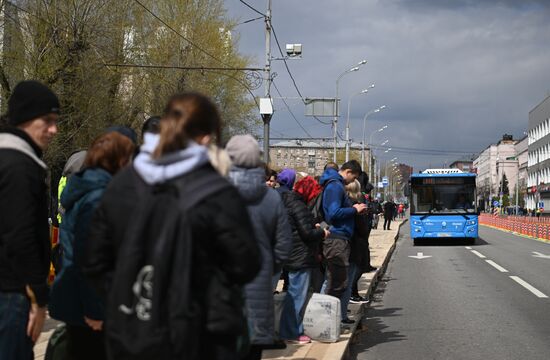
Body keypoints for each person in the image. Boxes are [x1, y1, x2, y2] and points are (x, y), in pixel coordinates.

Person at [84, 92, 261, 359]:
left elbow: (94, 260)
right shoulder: (216, 192)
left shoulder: (122, 184)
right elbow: (246, 263)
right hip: (202, 337)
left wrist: (132, 296)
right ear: (206, 137)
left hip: (132, 331)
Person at [49, 131, 136, 360]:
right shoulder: (98, 198)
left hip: (79, 300)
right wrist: (94, 310)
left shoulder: (85, 189)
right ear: (117, 160)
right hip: (91, 308)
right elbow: (90, 258)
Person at [0, 80, 59, 358]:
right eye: (46, 121)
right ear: (24, 118)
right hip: (13, 292)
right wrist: (38, 296)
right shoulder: (20, 166)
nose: (53, 130)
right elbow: (20, 235)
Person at [226, 135, 292, 358]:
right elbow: (284, 244)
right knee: (253, 350)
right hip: (259, 284)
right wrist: (267, 268)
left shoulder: (217, 192)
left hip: (223, 291)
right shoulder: (271, 198)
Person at [277, 171, 328, 344]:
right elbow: (306, 233)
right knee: (297, 295)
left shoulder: (288, 201)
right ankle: (292, 332)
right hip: (300, 255)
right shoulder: (298, 205)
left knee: (294, 294)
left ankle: (289, 330)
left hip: (293, 253)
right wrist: (322, 232)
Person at [319, 160, 365, 325]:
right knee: (334, 282)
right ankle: (324, 321)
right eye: (354, 178)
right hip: (336, 239)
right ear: (349, 172)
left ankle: (329, 320)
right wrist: (354, 209)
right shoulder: (335, 186)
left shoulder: (335, 185)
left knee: (335, 280)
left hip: (339, 238)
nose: (352, 182)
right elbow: (333, 213)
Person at [344, 180, 372, 309]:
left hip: (350, 243)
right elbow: (362, 228)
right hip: (354, 243)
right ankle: (348, 301)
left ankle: (347, 304)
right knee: (354, 272)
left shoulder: (345, 203)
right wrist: (362, 215)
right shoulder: (353, 206)